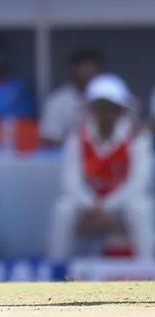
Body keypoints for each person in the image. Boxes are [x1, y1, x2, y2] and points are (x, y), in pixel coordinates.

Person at [48, 74, 153, 262]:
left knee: (140, 207)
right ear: (91, 109)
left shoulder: (137, 139)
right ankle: (57, 268)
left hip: (121, 206)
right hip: (89, 204)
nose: (105, 113)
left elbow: (137, 185)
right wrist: (92, 206)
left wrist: (107, 207)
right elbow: (71, 182)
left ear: (122, 110)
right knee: (63, 209)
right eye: (100, 107)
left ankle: (147, 268)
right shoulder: (77, 138)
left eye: (111, 108)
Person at [40, 50, 105, 149]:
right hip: (66, 157)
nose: (88, 76)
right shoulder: (58, 100)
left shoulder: (110, 98)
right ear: (73, 70)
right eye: (84, 71)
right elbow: (49, 140)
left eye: (92, 72)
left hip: (106, 156)